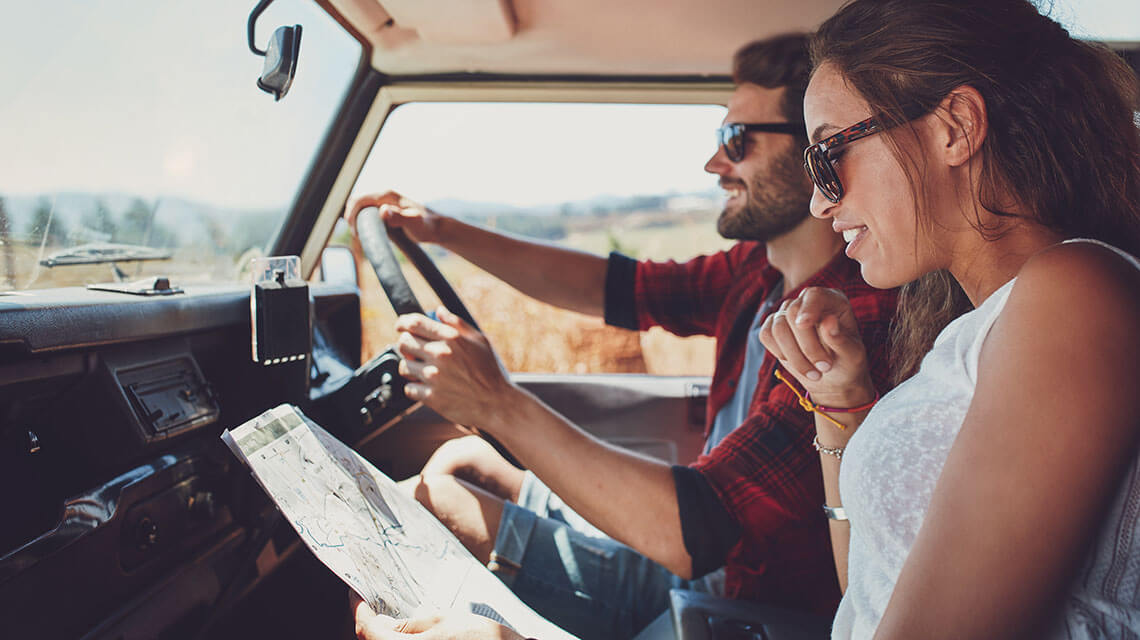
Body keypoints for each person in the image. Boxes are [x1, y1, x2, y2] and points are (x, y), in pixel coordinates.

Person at [346, 34, 897, 639]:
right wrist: (440, 229)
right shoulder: (756, 274)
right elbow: (609, 286)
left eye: (735, 141)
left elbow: (699, 533)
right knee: (451, 473)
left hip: (742, 605)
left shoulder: (846, 320)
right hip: (702, 568)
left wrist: (496, 402)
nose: (716, 164)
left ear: (812, 149)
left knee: (435, 523)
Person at [756, 0, 1140, 637]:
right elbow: (872, 594)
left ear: (955, 127)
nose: (821, 203)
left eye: (829, 154)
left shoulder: (1072, 293)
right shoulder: (985, 325)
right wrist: (843, 401)